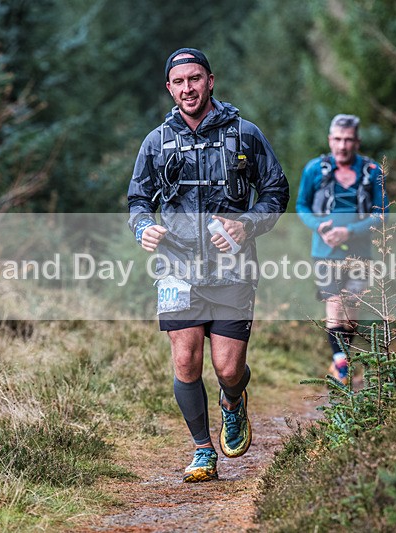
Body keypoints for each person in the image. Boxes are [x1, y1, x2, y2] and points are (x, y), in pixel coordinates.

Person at [127, 48, 289, 482]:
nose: (188, 88)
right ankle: (202, 450)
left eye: (195, 79)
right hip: (176, 267)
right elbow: (138, 200)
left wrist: (247, 226)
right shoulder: (157, 142)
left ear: (210, 81)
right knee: (184, 362)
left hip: (233, 270)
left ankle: (233, 401)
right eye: (179, 82)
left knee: (228, 369)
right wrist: (142, 227)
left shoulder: (244, 134)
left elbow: (276, 192)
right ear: (169, 88)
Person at [295, 114, 388, 384]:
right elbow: (302, 205)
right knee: (334, 305)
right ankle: (342, 367)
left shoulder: (372, 172)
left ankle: (342, 358)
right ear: (329, 140)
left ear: (357, 141)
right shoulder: (315, 169)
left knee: (351, 309)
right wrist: (320, 227)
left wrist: (349, 231)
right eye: (337, 139)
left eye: (348, 140)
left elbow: (383, 214)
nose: (342, 145)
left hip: (360, 253)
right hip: (324, 253)